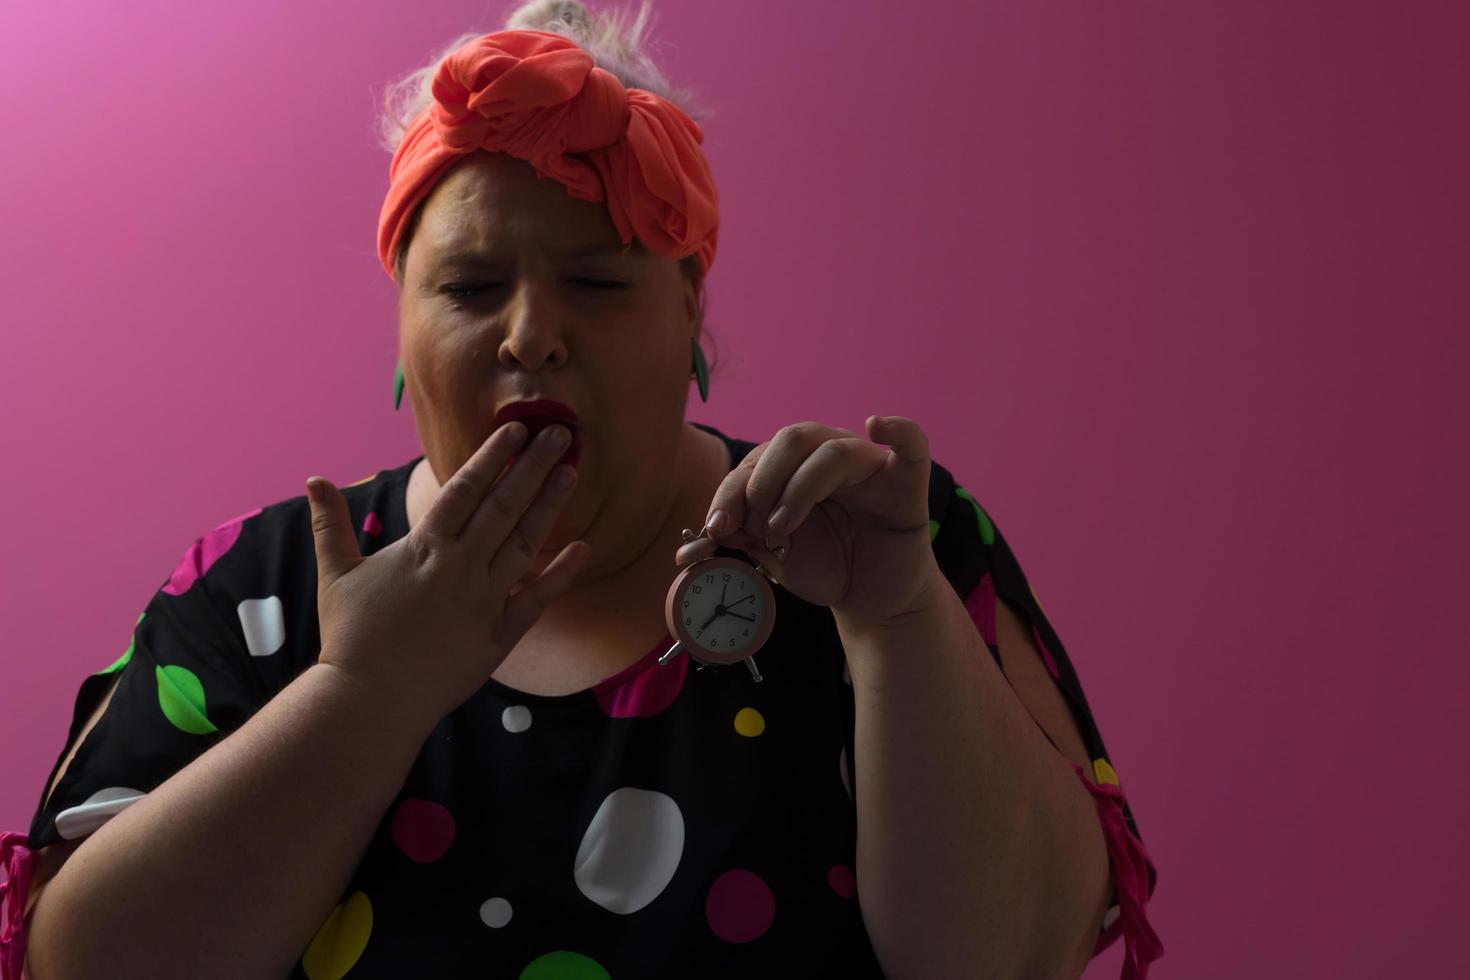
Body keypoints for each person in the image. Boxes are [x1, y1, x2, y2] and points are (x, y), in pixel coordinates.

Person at [0, 2, 1162, 977]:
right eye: (469, 284)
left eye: (598, 282)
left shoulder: (876, 540)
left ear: (691, 308)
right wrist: (363, 693)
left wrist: (901, 621)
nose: (532, 336)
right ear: (401, 319)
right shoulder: (261, 591)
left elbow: (1024, 954)